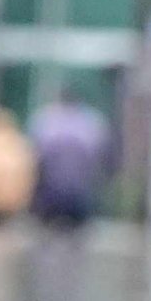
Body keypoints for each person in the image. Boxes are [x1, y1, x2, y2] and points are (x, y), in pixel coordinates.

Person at [28, 90, 113, 228]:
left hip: (51, 192)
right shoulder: (91, 123)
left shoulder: (46, 120)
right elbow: (100, 156)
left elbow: (37, 156)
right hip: (79, 192)